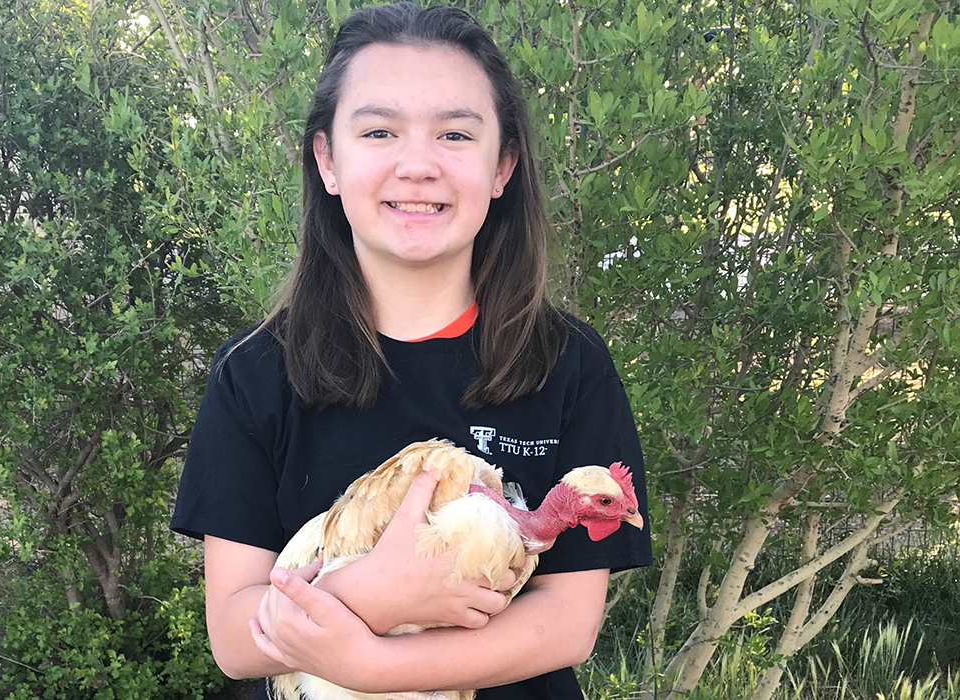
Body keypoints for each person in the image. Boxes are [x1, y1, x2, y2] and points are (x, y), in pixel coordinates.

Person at [169, 3, 652, 698]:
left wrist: (376, 666)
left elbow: (568, 624)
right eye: (379, 131)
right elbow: (235, 635)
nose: (418, 165)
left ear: (502, 165)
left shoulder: (568, 364)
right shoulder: (253, 375)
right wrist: (376, 594)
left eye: (455, 133)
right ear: (328, 161)